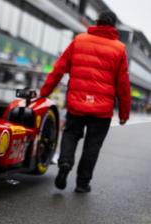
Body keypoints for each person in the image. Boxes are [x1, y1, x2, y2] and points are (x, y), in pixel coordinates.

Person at [40, 11, 131, 193]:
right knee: (93, 145)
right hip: (102, 110)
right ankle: (82, 183)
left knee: (71, 134)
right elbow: (123, 85)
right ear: (113, 27)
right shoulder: (119, 49)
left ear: (96, 22)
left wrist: (44, 93)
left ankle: (65, 162)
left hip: (77, 104)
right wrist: (124, 114)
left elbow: (58, 69)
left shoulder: (79, 40)